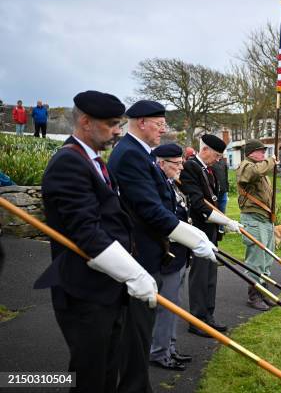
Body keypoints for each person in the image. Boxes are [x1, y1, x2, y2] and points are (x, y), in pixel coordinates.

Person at [36, 90, 157, 393]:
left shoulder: (94, 161)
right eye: (112, 124)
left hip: (107, 287)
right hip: (84, 290)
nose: (118, 131)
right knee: (89, 377)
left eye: (119, 123)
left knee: (107, 370)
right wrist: (135, 273)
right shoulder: (68, 163)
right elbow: (87, 233)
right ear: (86, 122)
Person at [108, 100, 216, 392]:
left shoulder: (139, 153)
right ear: (141, 122)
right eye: (159, 123)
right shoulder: (130, 154)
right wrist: (193, 237)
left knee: (140, 333)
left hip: (154, 251)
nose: (163, 128)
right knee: (136, 335)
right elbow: (149, 209)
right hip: (142, 252)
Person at [179, 134, 241, 336]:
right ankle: (197, 320)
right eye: (215, 155)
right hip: (199, 229)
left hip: (211, 230)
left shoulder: (209, 170)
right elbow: (198, 203)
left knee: (210, 274)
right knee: (199, 274)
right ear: (204, 150)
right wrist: (225, 221)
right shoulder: (190, 168)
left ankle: (209, 315)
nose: (218, 159)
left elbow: (213, 200)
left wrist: (223, 222)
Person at [149, 144, 192, 371]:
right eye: (176, 163)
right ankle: (159, 351)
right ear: (161, 163)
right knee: (166, 307)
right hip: (169, 253)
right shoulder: (158, 186)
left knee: (174, 305)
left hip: (181, 253)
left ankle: (170, 347)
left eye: (181, 162)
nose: (181, 167)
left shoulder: (171, 184)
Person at [236, 139, 276, 311]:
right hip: (253, 219)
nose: (264, 154)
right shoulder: (246, 166)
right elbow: (255, 173)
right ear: (251, 153)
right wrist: (272, 161)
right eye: (261, 151)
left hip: (265, 218)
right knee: (256, 260)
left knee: (267, 258)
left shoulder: (259, 168)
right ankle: (254, 296)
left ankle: (263, 292)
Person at [211, 157, 230, 233]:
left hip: (223, 191)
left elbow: (226, 176)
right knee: (215, 210)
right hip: (214, 192)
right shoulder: (211, 162)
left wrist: (227, 189)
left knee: (222, 210)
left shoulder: (223, 162)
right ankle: (215, 229)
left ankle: (221, 229)